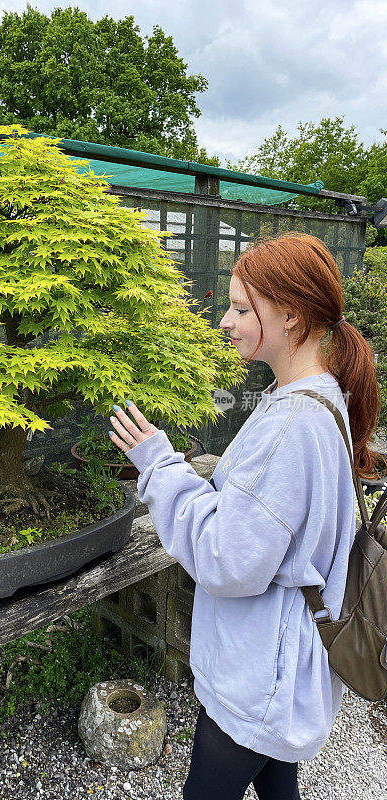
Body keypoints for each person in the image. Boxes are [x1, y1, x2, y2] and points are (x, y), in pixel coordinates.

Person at [107, 233, 381, 800]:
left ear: (290, 315)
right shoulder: (319, 396)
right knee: (279, 786)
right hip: (287, 664)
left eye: (238, 307)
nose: (224, 321)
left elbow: (228, 560)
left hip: (259, 679)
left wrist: (160, 467)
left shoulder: (289, 427)